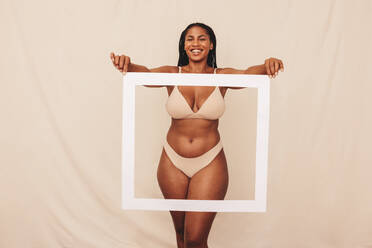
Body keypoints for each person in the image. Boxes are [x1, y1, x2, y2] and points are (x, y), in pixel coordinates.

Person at [110, 23, 284, 248]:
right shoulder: (173, 74)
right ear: (184, 45)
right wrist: (129, 64)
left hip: (209, 161)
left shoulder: (221, 76)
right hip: (172, 160)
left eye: (202, 38)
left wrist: (267, 64)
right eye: (190, 38)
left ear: (211, 45)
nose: (195, 43)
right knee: (182, 235)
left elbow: (248, 75)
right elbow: (145, 74)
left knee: (195, 238)